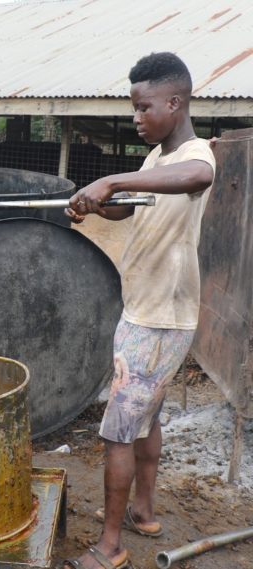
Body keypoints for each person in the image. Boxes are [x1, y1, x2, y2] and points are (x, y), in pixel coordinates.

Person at [63, 52, 215, 569]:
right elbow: (133, 206)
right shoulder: (155, 160)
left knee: (117, 430)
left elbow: (197, 177)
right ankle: (144, 512)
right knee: (145, 418)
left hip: (156, 320)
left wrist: (116, 180)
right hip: (149, 310)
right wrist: (99, 201)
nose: (136, 117)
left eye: (142, 107)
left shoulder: (196, 154)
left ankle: (110, 546)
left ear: (175, 103)